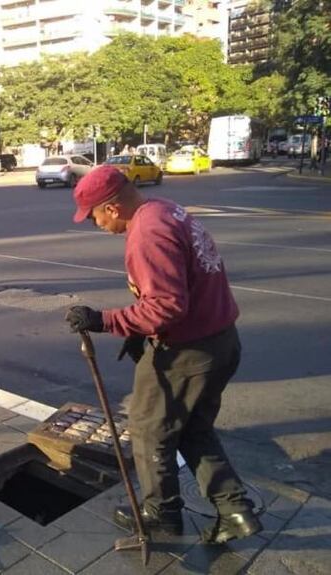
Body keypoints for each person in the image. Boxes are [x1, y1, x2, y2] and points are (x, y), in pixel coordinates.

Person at [65, 165, 263, 544]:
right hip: (220, 340)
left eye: (93, 217)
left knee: (147, 426)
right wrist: (140, 330)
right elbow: (174, 294)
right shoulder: (165, 210)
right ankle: (235, 511)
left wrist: (104, 320)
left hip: (189, 350)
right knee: (192, 429)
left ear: (111, 207)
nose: (95, 225)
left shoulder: (147, 232)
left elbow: (167, 305)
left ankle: (161, 514)